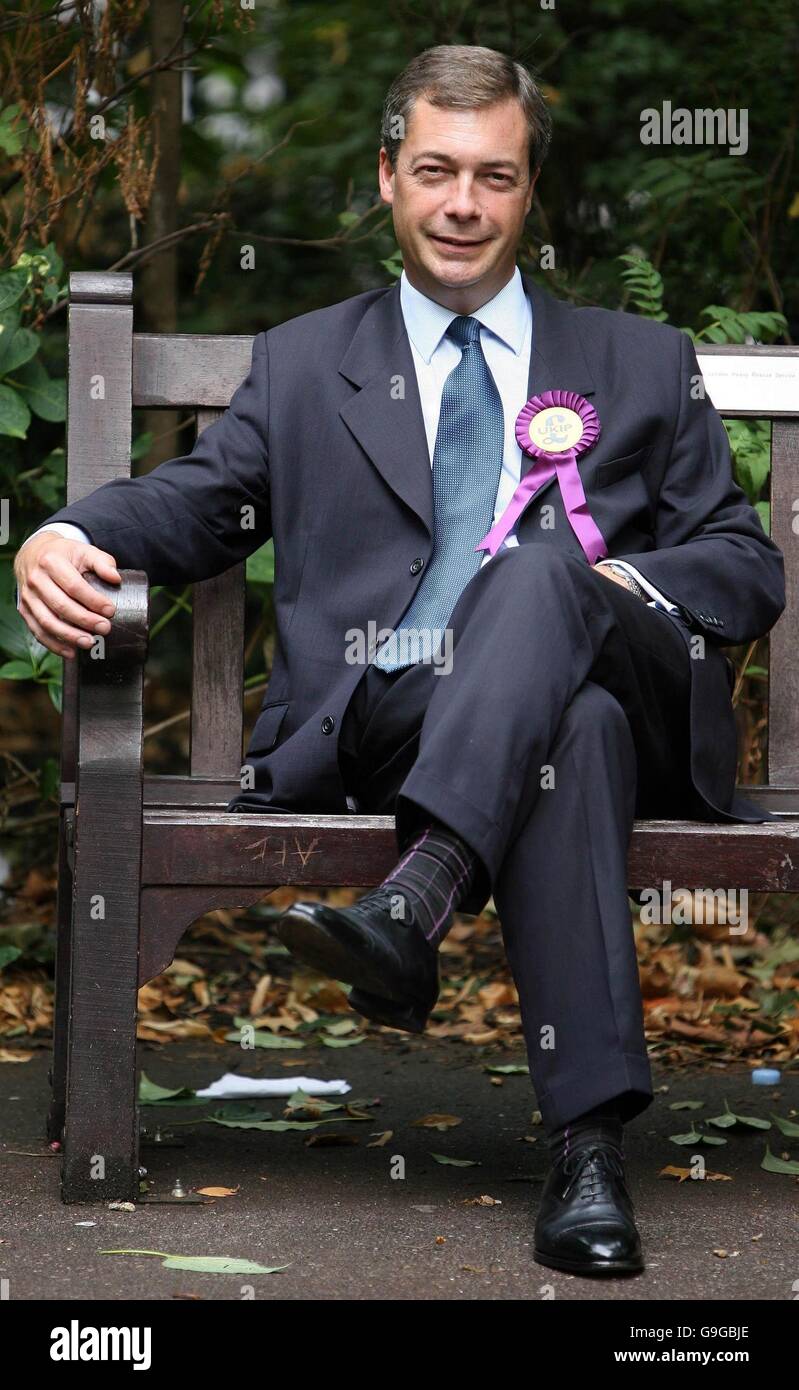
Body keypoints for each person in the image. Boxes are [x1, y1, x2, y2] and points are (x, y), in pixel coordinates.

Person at [14, 45, 785, 1278]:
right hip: (395, 710)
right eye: (434, 170)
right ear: (387, 178)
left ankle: (417, 899)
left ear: (529, 190)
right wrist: (69, 529)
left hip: (634, 695)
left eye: (494, 175)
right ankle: (586, 1153)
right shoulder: (309, 358)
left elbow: (744, 569)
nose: (462, 204)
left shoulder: (639, 361)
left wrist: (598, 592)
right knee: (566, 727)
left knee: (545, 585)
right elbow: (204, 503)